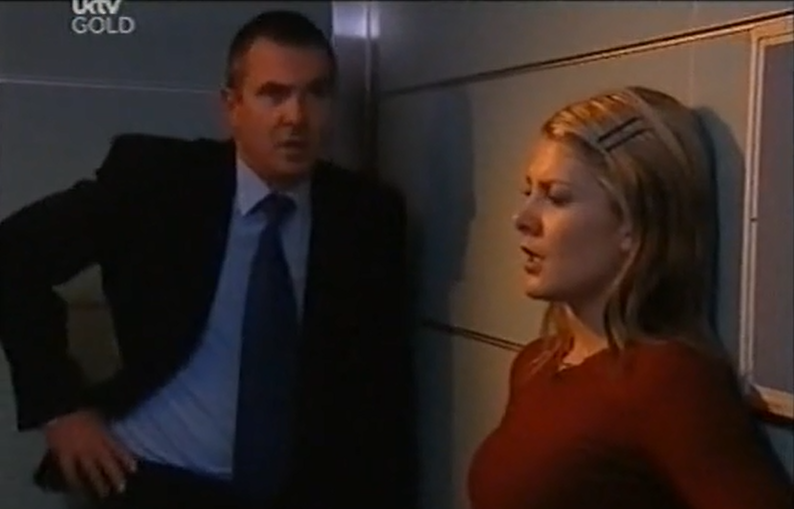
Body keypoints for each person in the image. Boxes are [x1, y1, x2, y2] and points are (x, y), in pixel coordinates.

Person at [0, 10, 416, 509]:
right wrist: (60, 409)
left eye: (317, 93)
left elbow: (380, 392)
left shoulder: (365, 217)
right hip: (155, 477)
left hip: (302, 491)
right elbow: (12, 255)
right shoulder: (159, 183)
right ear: (231, 106)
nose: (296, 117)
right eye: (273, 94)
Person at [467, 86, 793, 509]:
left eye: (557, 197)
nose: (524, 218)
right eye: (528, 191)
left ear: (634, 222)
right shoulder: (537, 363)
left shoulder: (668, 381)